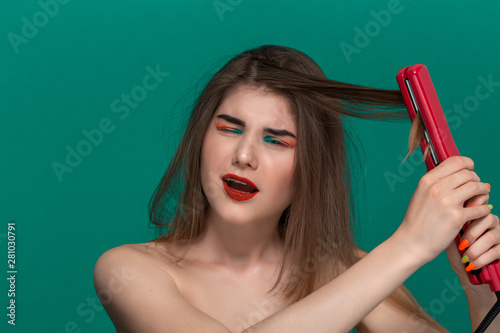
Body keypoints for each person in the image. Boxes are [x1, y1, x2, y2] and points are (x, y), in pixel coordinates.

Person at [93, 45, 500, 332]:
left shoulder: (339, 268)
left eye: (277, 140)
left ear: (311, 166)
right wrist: (409, 246)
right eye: (229, 128)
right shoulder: (127, 272)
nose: (244, 155)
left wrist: (478, 290)